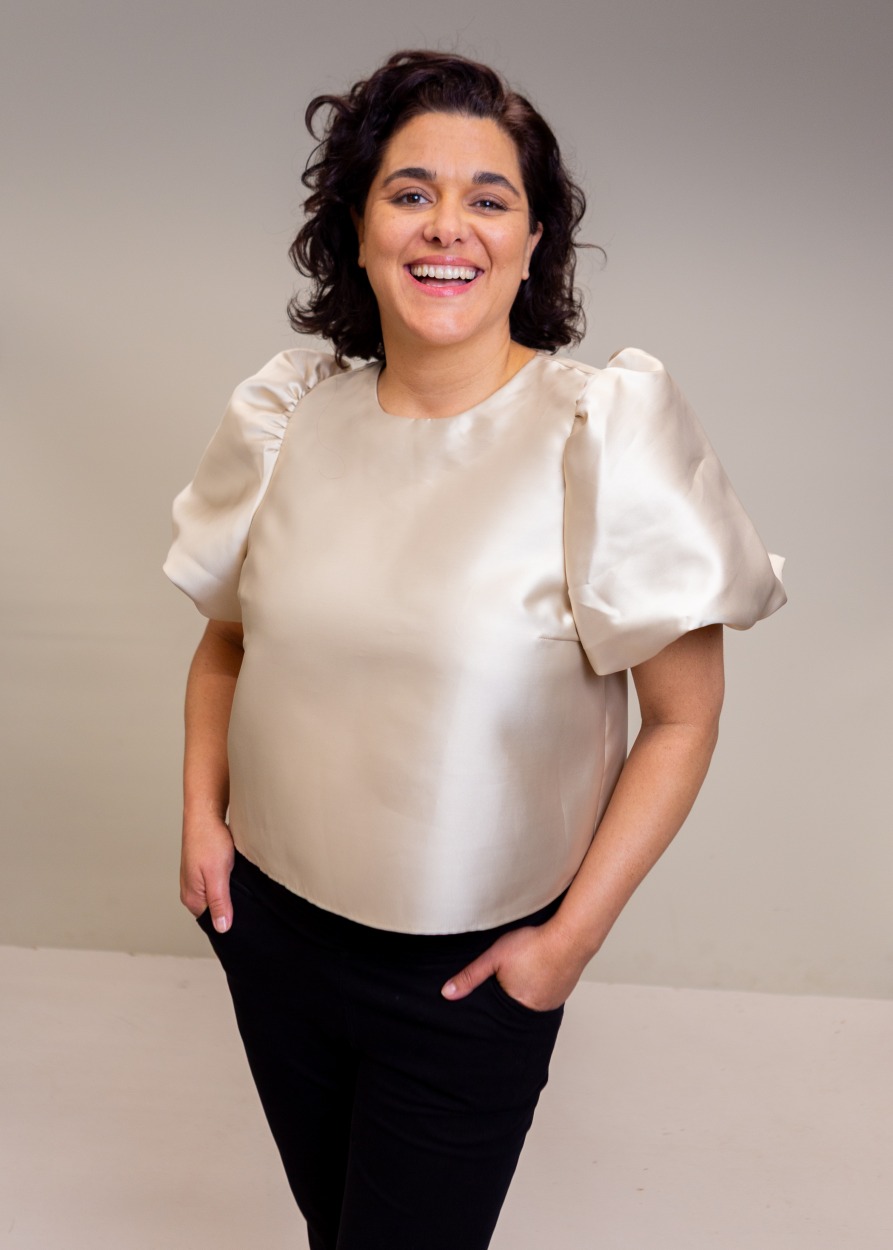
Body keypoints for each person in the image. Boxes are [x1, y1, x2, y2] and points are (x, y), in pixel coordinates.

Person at [163, 49, 785, 1250]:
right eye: (409, 192)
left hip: (466, 980)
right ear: (356, 230)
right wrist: (200, 816)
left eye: (486, 198)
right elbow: (226, 644)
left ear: (532, 239)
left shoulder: (599, 431)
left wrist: (565, 945)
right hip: (273, 933)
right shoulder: (287, 417)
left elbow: (682, 717)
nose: (446, 225)